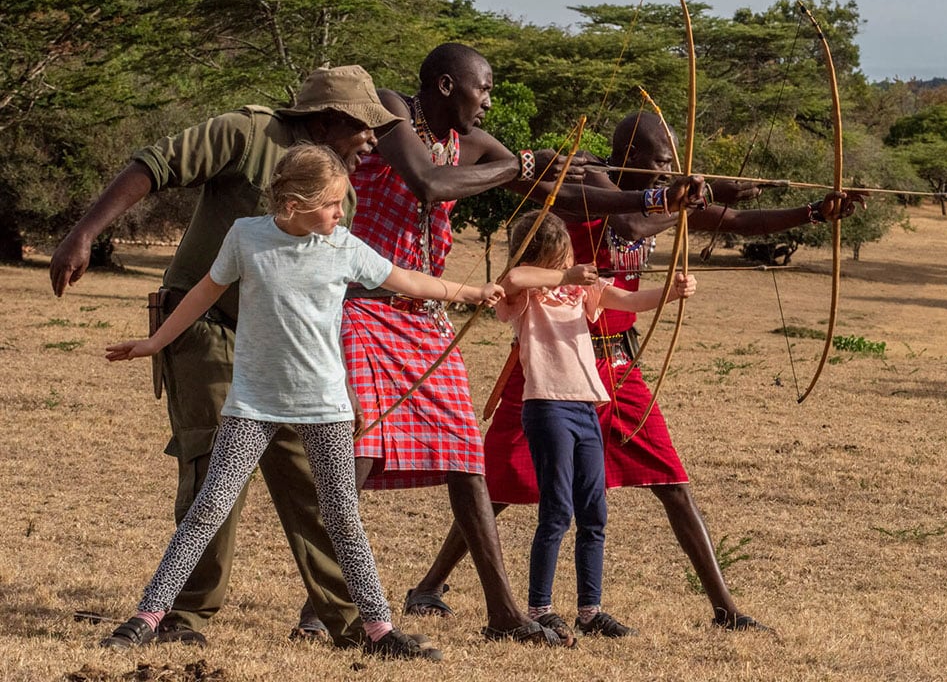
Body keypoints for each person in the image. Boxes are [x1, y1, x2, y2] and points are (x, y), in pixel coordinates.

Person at [415, 110, 861, 633]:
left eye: (671, 163)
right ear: (628, 157)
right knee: (503, 485)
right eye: (659, 161)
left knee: (671, 480)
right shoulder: (586, 182)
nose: (667, 170)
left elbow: (738, 222)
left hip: (618, 365)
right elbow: (627, 219)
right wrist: (690, 195)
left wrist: (813, 212)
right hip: (551, 359)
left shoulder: (662, 197)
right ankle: (429, 586)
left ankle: (725, 608)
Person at [343, 42, 705, 645]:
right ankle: (325, 602)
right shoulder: (390, 110)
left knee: (466, 461)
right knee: (353, 462)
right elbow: (428, 183)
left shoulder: (475, 146)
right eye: (481, 88)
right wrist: (520, 168)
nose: (488, 101)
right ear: (443, 87)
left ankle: (505, 615)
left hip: (425, 312)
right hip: (366, 308)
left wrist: (656, 198)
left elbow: (565, 196)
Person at [98, 144, 503, 659]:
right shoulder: (247, 237)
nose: (341, 213)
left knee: (342, 518)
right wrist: (155, 343)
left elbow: (406, 280)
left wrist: (470, 294)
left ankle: (380, 632)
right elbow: (203, 291)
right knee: (209, 510)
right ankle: (146, 616)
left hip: (326, 409)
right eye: (333, 203)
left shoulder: (343, 246)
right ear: (294, 201)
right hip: (252, 405)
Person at [49, 65, 406, 648]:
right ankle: (183, 619)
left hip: (284, 353)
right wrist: (85, 232)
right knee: (215, 472)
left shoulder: (342, 193)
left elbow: (329, 289)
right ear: (328, 119)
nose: (373, 140)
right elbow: (153, 165)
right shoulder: (245, 134)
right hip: (205, 327)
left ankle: (353, 623)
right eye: (366, 127)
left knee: (314, 484)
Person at [494, 211, 695, 642]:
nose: (569, 258)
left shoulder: (580, 290)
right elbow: (513, 279)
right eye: (560, 252)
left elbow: (630, 301)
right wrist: (563, 273)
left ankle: (590, 610)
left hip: (586, 407)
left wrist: (671, 293)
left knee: (594, 512)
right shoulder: (525, 295)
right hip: (547, 407)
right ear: (544, 255)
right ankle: (540, 608)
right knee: (556, 511)